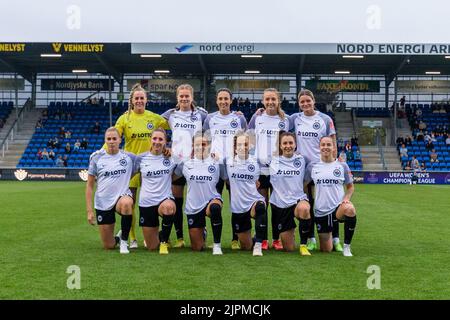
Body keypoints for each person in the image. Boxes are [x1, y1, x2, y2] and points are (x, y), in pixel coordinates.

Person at [111, 83, 169, 249]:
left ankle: (151, 235)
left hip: (152, 166)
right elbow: (114, 137)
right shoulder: (124, 118)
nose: (139, 101)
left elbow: (174, 123)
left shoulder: (153, 117)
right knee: (130, 202)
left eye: (142, 98)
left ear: (146, 100)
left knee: (154, 200)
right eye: (136, 98)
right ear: (132, 100)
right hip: (132, 166)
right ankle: (132, 238)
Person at [290, 89, 339, 252]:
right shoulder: (295, 119)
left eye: (307, 101)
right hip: (303, 168)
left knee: (330, 201)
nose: (305, 104)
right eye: (302, 102)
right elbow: (278, 119)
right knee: (308, 202)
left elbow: (332, 141)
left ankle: (336, 238)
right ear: (299, 104)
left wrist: (334, 161)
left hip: (322, 166)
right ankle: (310, 237)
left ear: (313, 100)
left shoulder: (325, 119)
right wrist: (259, 111)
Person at [161, 84, 208, 249]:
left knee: (200, 200)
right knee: (177, 201)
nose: (184, 99)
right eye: (181, 96)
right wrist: (165, 147)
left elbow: (212, 130)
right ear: (177, 98)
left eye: (187, 96)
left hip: (196, 163)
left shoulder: (201, 115)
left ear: (192, 97)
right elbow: (154, 125)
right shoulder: (171, 115)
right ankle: (180, 237)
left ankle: (203, 232)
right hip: (177, 164)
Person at [203, 88, 248, 250]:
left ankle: (235, 238)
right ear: (217, 101)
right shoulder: (210, 118)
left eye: (226, 99)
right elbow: (205, 141)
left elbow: (243, 141)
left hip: (233, 167)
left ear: (231, 100)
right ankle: (210, 235)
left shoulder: (239, 119)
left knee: (235, 202)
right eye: (220, 99)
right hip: (215, 167)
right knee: (212, 202)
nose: (223, 101)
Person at [248, 88, 291, 251]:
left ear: (278, 100)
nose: (270, 102)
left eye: (273, 99)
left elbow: (289, 141)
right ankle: (262, 238)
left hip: (279, 168)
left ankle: (276, 238)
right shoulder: (257, 117)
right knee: (262, 204)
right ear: (263, 101)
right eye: (267, 99)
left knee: (277, 204)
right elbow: (250, 141)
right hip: (261, 168)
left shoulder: (285, 119)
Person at [85, 127, 136, 254]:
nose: (111, 141)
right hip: (103, 202)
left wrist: (166, 151)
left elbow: (149, 158)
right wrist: (89, 211)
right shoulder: (96, 158)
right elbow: (90, 185)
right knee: (108, 245)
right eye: (109, 139)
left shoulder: (129, 157)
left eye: (114, 138)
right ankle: (118, 238)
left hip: (121, 198)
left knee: (127, 203)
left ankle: (124, 242)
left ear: (120, 140)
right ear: (105, 141)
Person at [173, 132, 226, 255]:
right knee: (197, 248)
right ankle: (203, 232)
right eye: (197, 144)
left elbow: (229, 179)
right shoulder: (186, 163)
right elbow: (172, 177)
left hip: (211, 200)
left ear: (209, 145)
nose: (201, 147)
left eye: (204, 144)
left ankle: (217, 245)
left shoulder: (217, 162)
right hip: (194, 206)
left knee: (215, 208)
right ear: (193, 146)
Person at [305, 136, 357, 257]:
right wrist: (307, 198)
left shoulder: (342, 166)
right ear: (319, 147)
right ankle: (332, 240)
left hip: (338, 208)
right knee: (326, 250)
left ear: (334, 148)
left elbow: (350, 187)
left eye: (329, 145)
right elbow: (304, 184)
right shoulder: (313, 166)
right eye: (323, 145)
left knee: (350, 209)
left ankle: (346, 247)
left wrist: (346, 199)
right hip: (321, 211)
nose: (326, 147)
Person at [265, 132, 312, 255]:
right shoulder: (272, 161)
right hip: (281, 204)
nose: (288, 146)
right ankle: (291, 230)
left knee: (304, 209)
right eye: (285, 143)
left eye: (291, 143)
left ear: (295, 144)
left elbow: (315, 168)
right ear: (280, 146)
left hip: (298, 200)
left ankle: (303, 245)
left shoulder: (302, 160)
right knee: (289, 248)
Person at [223, 131, 267, 256]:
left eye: (246, 144)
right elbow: (224, 177)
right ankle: (253, 240)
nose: (243, 147)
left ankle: (258, 244)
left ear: (250, 146)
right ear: (235, 147)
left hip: (253, 201)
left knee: (260, 207)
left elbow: (266, 175)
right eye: (240, 144)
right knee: (246, 247)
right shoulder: (227, 161)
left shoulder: (257, 162)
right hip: (238, 207)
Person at [135, 129, 176, 254]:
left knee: (169, 207)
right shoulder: (141, 158)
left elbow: (182, 171)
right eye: (155, 138)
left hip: (164, 199)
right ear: (150, 140)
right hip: (146, 203)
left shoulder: (171, 157)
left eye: (160, 139)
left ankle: (164, 243)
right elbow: (127, 175)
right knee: (152, 247)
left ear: (165, 142)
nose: (157, 142)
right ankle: (161, 235)